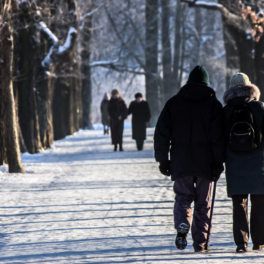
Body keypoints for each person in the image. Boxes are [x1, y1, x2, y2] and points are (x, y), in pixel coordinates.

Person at [154, 65, 224, 252]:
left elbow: (161, 133)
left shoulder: (174, 103)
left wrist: (163, 160)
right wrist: (219, 162)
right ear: (206, 83)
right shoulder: (214, 105)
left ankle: (182, 225)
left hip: (180, 161)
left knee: (183, 198)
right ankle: (200, 243)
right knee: (203, 203)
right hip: (206, 164)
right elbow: (218, 137)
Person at [223, 73, 264, 253]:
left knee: (239, 203)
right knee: (259, 202)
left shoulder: (226, 111)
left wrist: (219, 160)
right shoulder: (259, 107)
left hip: (234, 163)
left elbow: (219, 139)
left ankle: (241, 242)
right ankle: (259, 241)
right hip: (258, 162)